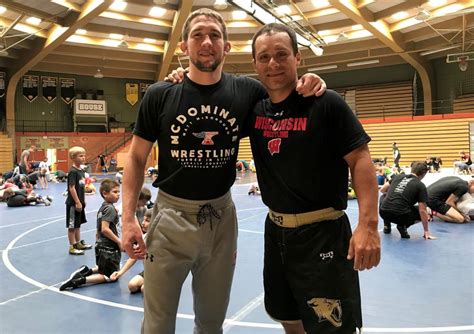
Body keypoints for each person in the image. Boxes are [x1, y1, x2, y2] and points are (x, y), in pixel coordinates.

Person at [121, 8, 326, 334]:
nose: (206, 42)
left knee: (211, 324)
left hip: (220, 220)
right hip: (170, 217)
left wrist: (310, 80)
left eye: (215, 35)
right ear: (184, 47)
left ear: (226, 47)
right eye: (198, 35)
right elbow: (135, 158)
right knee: (157, 326)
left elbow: (285, 95)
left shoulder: (247, 92)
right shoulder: (160, 95)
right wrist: (128, 217)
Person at [246, 23, 380, 333]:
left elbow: (360, 159)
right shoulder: (253, 110)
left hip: (323, 234)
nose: (273, 64)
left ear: (297, 57)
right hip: (276, 233)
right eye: (263, 57)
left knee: (331, 327)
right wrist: (176, 78)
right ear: (254, 63)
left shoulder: (326, 102)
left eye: (281, 54)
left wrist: (368, 225)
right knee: (288, 318)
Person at [60, 179, 122, 290]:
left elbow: (99, 230)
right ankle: (80, 280)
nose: (118, 195)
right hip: (109, 248)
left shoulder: (103, 207)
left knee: (104, 267)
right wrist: (119, 241)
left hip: (101, 246)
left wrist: (98, 241)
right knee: (110, 276)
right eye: (115, 192)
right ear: (105, 193)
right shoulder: (111, 209)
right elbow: (105, 229)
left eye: (119, 192)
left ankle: (86, 271)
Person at [379, 161, 435, 239]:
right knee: (427, 210)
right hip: (401, 216)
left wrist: (395, 193)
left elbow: (382, 190)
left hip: (383, 213)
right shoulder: (420, 185)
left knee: (383, 197)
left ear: (412, 169)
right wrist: (426, 231)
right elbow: (422, 210)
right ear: (424, 173)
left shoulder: (398, 176)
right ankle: (403, 225)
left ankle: (387, 225)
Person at [112, 208, 153, 294]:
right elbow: (134, 257)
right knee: (132, 286)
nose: (142, 223)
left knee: (144, 289)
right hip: (148, 272)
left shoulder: (161, 240)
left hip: (160, 273)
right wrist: (120, 273)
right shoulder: (144, 238)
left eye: (147, 221)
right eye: (144, 219)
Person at [66, 147, 92, 256]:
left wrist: (83, 201)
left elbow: (81, 187)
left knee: (78, 224)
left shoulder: (81, 170)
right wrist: (77, 202)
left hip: (80, 202)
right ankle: (72, 246)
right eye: (80, 156)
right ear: (73, 158)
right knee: (72, 226)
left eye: (84, 155)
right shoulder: (73, 172)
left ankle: (78, 243)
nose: (83, 157)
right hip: (73, 203)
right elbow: (71, 188)